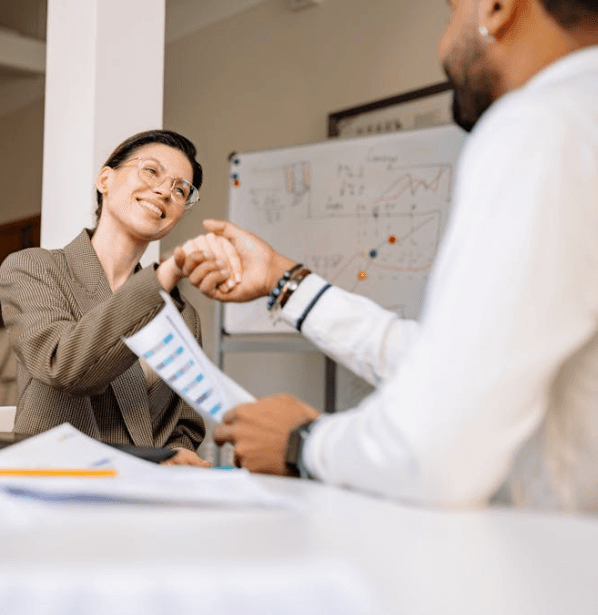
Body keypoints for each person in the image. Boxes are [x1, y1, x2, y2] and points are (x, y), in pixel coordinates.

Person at [180, 0, 598, 509]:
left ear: (496, 8)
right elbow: (453, 366)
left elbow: (438, 450)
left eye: (449, 12)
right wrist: (283, 280)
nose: (443, 43)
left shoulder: (541, 127)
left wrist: (301, 442)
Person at [0, 130, 239, 466]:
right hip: (56, 488)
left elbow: (184, 423)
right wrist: (162, 275)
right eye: (152, 171)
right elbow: (64, 365)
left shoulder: (182, 314)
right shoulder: (34, 269)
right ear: (105, 179)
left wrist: (179, 450)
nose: (165, 191)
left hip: (145, 497)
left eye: (180, 189)